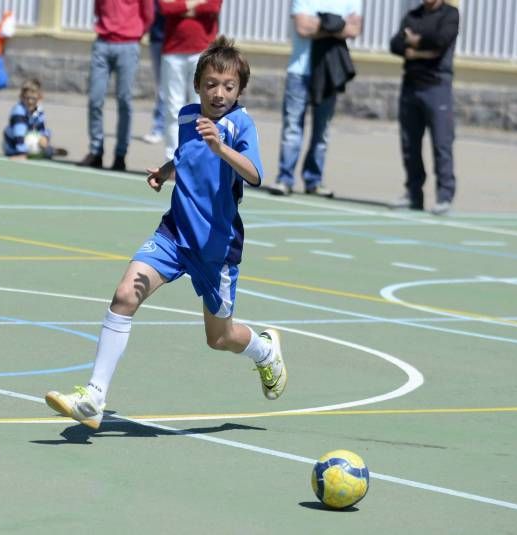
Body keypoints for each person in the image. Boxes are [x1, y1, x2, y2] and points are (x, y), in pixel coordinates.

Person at [45, 36, 287, 430]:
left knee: (220, 338)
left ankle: (263, 351)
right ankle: (94, 397)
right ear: (197, 85)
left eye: (229, 86)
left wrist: (221, 148)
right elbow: (186, 155)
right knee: (125, 293)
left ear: (240, 90)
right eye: (211, 83)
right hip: (174, 233)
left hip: (216, 246)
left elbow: (255, 174)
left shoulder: (241, 124)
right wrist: (165, 171)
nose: (219, 93)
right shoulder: (188, 117)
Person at [267, 0, 363, 198]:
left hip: (329, 71)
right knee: (292, 128)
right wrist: (338, 24)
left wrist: (319, 23)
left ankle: (314, 180)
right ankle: (285, 178)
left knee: (322, 130)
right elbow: (302, 28)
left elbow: (354, 30)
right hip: (300, 72)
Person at [390, 0, 459, 215]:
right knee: (409, 144)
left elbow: (440, 41)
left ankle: (444, 195)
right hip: (411, 86)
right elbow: (396, 44)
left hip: (436, 86)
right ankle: (413, 193)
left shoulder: (450, 14)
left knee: (441, 143)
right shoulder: (413, 15)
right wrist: (422, 47)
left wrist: (416, 43)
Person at [77, 0, 154, 172]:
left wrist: (135, 33)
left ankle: (120, 155)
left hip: (128, 43)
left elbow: (148, 14)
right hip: (102, 43)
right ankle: (96, 150)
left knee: (124, 101)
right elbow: (99, 8)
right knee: (95, 99)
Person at [158, 0, 222, 161]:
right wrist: (195, 3)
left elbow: (213, 6)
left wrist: (180, 6)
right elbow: (165, 7)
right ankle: (172, 160)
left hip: (202, 51)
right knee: (173, 109)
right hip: (173, 52)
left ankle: (197, 158)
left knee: (202, 109)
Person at [2, 78, 67, 159]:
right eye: (27, 98)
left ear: (40, 98)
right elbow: (19, 133)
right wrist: (21, 153)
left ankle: (48, 150)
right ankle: (46, 151)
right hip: (13, 145)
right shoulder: (18, 111)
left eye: (33, 99)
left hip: (28, 138)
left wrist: (44, 138)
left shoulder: (39, 110)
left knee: (44, 135)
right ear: (21, 97)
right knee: (31, 140)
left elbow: (42, 128)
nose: (30, 101)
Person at [138, 0, 165, 145]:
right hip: (158, 38)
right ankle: (159, 128)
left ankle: (191, 131)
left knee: (191, 89)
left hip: (181, 41)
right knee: (161, 86)